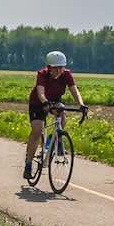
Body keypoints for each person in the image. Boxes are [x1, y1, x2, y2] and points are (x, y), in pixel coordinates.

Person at [24, 50, 87, 178]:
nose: (59, 71)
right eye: (55, 68)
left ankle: (51, 141)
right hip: (38, 102)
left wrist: (81, 104)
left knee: (62, 120)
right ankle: (28, 164)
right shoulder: (42, 74)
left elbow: (75, 91)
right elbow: (40, 92)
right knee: (37, 130)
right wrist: (46, 103)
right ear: (49, 67)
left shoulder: (67, 75)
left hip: (55, 100)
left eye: (61, 68)